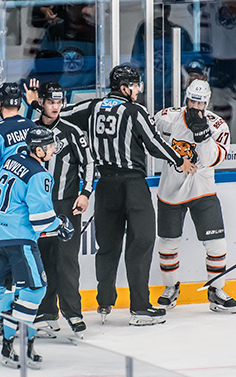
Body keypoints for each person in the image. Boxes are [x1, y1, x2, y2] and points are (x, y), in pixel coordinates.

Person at [66, 65, 196, 325]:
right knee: (142, 241)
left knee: (108, 245)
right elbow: (154, 142)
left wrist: (35, 106)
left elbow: (60, 114)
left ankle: (104, 302)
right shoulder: (135, 111)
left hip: (104, 186)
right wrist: (178, 160)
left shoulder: (92, 107)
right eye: (135, 85)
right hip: (132, 185)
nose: (138, 90)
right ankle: (139, 307)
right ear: (124, 87)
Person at [0, 126, 75, 368]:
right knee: (35, 291)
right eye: (49, 146)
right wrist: (62, 225)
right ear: (39, 149)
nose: (53, 149)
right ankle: (21, 348)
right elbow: (41, 220)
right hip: (16, 240)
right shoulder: (40, 174)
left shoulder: (14, 158)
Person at [153, 79, 236, 314]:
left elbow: (211, 160)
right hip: (170, 190)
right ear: (185, 98)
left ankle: (216, 290)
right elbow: (148, 136)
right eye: (192, 101)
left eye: (200, 103)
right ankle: (171, 288)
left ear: (207, 102)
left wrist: (201, 135)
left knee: (217, 243)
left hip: (202, 190)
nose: (195, 106)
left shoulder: (218, 126)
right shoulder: (167, 117)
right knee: (168, 243)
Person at [24, 78, 94, 336]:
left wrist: (85, 193)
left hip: (67, 205)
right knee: (42, 260)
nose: (55, 107)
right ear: (40, 102)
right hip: (38, 207)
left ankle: (73, 313)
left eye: (59, 102)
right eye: (51, 102)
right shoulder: (30, 130)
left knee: (66, 260)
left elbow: (89, 163)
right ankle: (45, 313)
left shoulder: (72, 131)